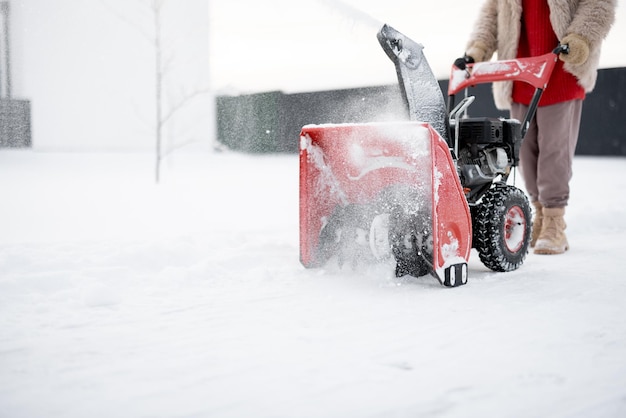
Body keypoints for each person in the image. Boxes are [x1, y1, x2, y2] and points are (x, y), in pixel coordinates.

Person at [459, 0, 616, 254]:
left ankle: (555, 221)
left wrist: (581, 38)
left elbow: (599, 4)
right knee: (523, 151)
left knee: (554, 149)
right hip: (521, 71)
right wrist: (479, 46)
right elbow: (492, 12)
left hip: (561, 66)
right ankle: (540, 213)